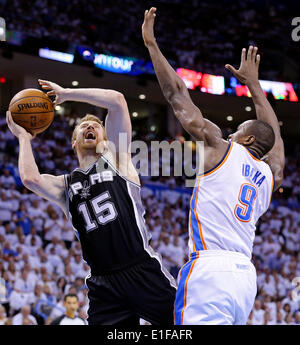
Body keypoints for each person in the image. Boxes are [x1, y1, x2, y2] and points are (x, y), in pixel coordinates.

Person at [142, 7, 285, 325]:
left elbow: (177, 96)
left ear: (246, 141)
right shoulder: (268, 175)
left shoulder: (222, 148)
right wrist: (255, 88)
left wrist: (152, 44)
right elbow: (275, 143)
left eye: (238, 131)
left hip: (210, 270)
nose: (231, 132)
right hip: (245, 278)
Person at [6, 79, 176, 325]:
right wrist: (23, 138)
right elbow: (30, 178)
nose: (90, 126)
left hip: (141, 269)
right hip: (103, 283)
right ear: (74, 142)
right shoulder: (66, 185)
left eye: (96, 126)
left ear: (104, 138)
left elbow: (117, 100)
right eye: (84, 125)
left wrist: (67, 94)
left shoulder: (118, 159)